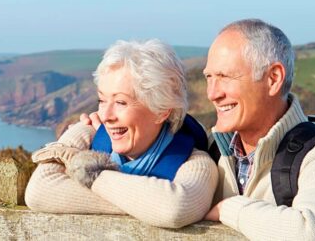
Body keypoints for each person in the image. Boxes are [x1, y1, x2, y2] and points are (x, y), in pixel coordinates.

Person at [25, 39, 218, 228]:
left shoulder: (195, 163)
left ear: (162, 111)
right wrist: (82, 130)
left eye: (120, 102)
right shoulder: (95, 139)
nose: (106, 116)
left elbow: (174, 209)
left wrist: (90, 173)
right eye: (102, 100)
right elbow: (39, 191)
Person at [202, 18, 315, 240]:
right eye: (209, 77)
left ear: (273, 79)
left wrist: (229, 209)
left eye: (225, 77)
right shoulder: (212, 148)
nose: (212, 93)